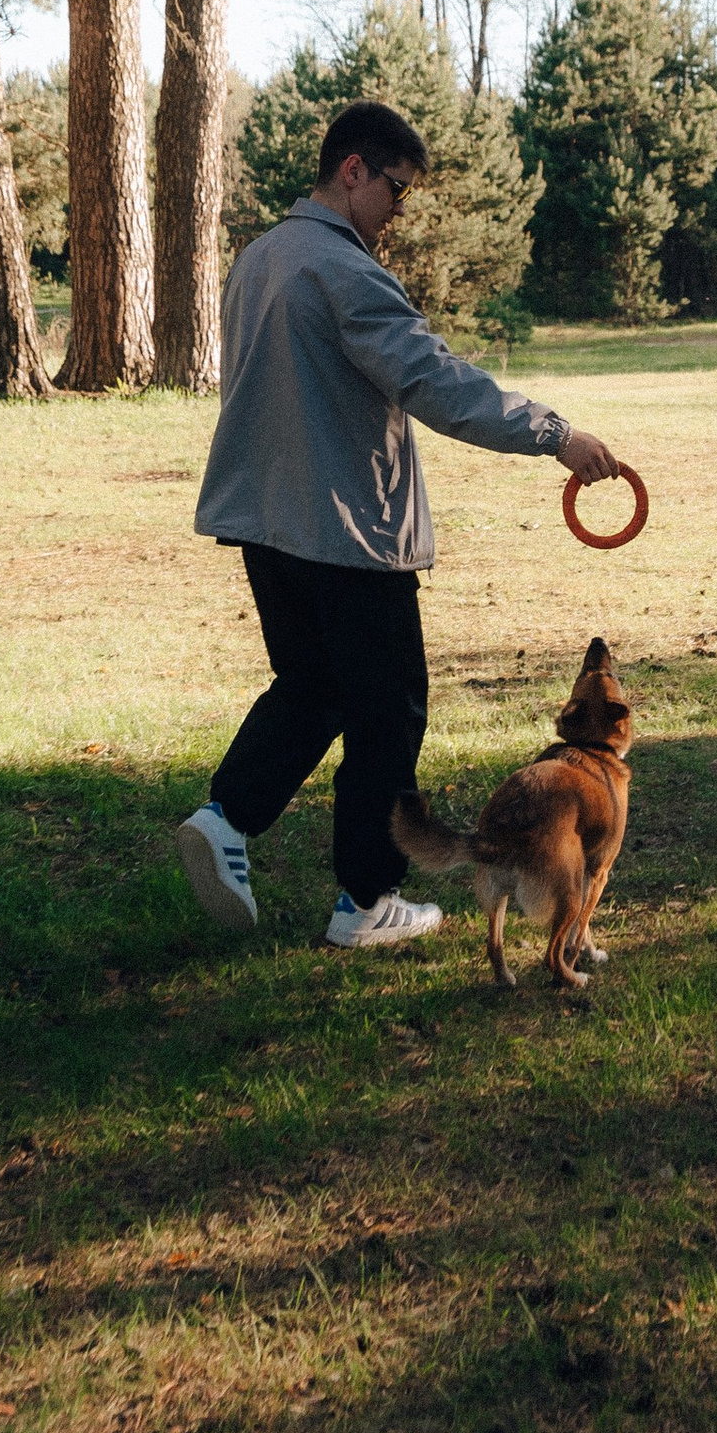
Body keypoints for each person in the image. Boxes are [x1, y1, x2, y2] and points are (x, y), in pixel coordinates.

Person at [171, 96, 630, 946]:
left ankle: (226, 818)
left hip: (264, 525)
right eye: (396, 189)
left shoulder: (260, 258)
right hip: (346, 533)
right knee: (390, 712)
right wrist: (557, 436)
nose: (397, 212)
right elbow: (436, 382)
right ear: (353, 171)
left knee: (313, 688)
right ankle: (367, 901)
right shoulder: (345, 271)